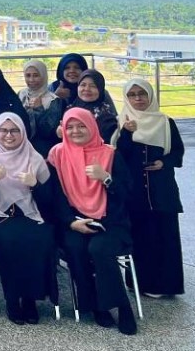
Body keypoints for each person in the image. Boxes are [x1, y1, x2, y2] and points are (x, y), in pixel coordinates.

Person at [48, 107, 136, 335]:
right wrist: (71, 222)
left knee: (99, 248)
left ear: (92, 127)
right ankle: (95, 305)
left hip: (110, 222)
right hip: (74, 221)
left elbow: (127, 194)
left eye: (81, 126)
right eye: (70, 127)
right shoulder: (57, 155)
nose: (75, 131)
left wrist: (106, 178)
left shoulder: (110, 154)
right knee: (75, 247)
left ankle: (122, 307)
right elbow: (55, 197)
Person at [0, 112, 58, 325]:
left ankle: (30, 299)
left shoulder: (34, 159)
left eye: (15, 130)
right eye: (3, 130)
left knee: (42, 238)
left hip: (29, 215)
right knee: (11, 240)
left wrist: (35, 185)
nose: (9, 135)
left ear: (23, 132)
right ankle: (12, 299)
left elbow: (49, 201)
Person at [111, 79, 185, 298]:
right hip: (135, 192)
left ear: (150, 96)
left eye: (142, 94)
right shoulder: (122, 122)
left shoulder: (165, 122)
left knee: (165, 236)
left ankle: (167, 285)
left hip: (161, 190)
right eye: (132, 95)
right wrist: (127, 133)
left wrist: (164, 162)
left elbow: (178, 152)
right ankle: (140, 283)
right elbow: (118, 157)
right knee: (141, 238)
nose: (137, 99)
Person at [18, 60, 60, 156]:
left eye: (36, 75)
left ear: (43, 76)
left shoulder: (53, 100)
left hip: (43, 150)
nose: (31, 80)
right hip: (21, 147)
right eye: (28, 75)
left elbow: (48, 131)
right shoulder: (21, 94)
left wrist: (39, 108)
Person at [69, 69, 119, 143]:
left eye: (93, 86)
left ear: (100, 89)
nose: (87, 89)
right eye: (83, 85)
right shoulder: (70, 108)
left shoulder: (106, 116)